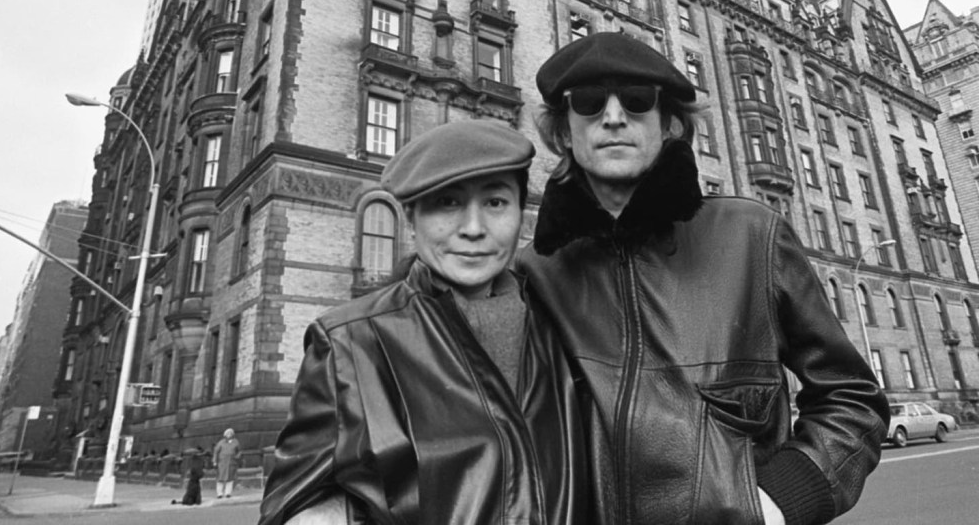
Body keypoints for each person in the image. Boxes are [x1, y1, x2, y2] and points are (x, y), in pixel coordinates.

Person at [520, 31, 890, 525]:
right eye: (588, 103)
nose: (612, 116)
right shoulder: (533, 273)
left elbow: (852, 397)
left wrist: (778, 501)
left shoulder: (752, 235)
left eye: (635, 101)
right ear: (564, 131)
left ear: (669, 125)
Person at [259, 120, 587, 525]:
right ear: (410, 218)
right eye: (448, 203)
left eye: (496, 203)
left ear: (522, 212)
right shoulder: (348, 344)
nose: (473, 229)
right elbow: (296, 501)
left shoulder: (566, 325)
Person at [213, 428, 241, 498]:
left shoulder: (235, 442)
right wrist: (214, 461)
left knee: (230, 478)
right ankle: (219, 493)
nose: (229, 435)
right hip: (222, 463)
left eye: (230, 433)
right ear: (225, 435)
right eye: (227, 433)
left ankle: (228, 493)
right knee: (220, 478)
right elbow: (216, 452)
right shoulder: (221, 442)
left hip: (231, 462)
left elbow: (239, 451)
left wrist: (236, 457)